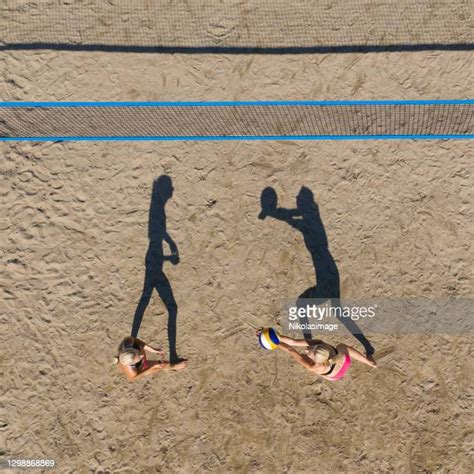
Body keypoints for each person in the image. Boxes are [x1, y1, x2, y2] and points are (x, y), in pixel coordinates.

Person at [258, 330, 376, 381]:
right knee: (342, 347)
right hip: (345, 362)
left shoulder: (313, 366)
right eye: (312, 348)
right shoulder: (321, 345)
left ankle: (368, 362)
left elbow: (290, 349)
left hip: (336, 375)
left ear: (314, 360)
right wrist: (276, 337)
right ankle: (369, 362)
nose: (308, 349)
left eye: (310, 352)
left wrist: (273, 342)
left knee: (325, 375)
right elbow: (293, 342)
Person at [116, 336, 187, 381]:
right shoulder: (131, 372)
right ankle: (174, 366)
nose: (142, 356)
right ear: (133, 363)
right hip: (140, 368)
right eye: (139, 358)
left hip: (139, 362)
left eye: (139, 353)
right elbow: (134, 377)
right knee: (161, 365)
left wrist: (153, 350)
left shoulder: (128, 341)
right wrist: (151, 368)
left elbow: (138, 342)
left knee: (158, 365)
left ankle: (167, 367)